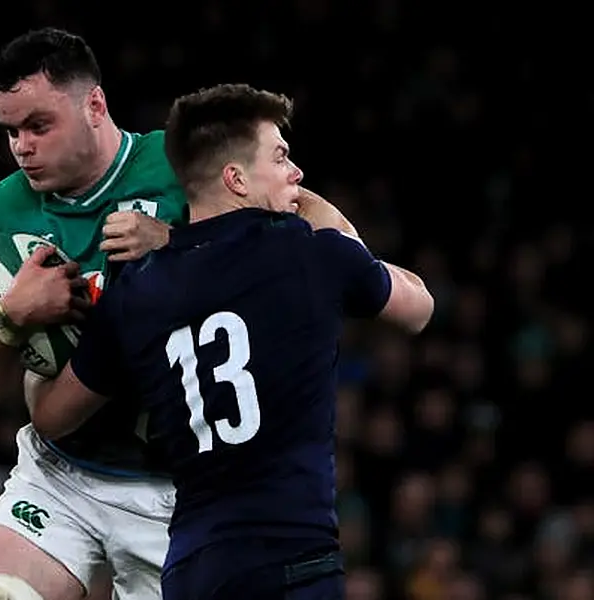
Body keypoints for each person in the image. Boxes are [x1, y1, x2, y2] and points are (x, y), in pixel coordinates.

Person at [27, 83, 435, 599]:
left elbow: (52, 415)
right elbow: (419, 307)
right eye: (282, 157)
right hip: (293, 557)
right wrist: (308, 206)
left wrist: (21, 329)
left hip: (193, 569)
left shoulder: (136, 290)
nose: (296, 172)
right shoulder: (310, 255)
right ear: (236, 178)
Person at [0, 28, 189, 600]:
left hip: (181, 490)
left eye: (38, 126)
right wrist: (9, 318)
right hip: (62, 475)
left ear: (94, 104)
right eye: (11, 131)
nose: (22, 146)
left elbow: (295, 237)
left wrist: (177, 245)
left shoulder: (181, 164)